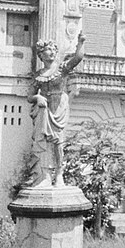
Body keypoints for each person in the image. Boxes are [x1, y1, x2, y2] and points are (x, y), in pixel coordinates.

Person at [27, 33, 86, 187]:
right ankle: (46, 176)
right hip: (44, 109)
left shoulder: (61, 69)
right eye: (48, 49)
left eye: (54, 49)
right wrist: (37, 98)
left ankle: (59, 174)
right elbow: (29, 96)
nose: (52, 52)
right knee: (44, 143)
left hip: (59, 107)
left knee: (58, 143)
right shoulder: (38, 75)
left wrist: (80, 43)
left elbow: (77, 58)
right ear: (41, 54)